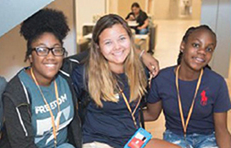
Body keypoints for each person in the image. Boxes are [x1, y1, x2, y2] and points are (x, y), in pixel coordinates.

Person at [72, 14, 180, 148]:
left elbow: (150, 112)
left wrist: (141, 54)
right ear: (98, 46)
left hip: (133, 139)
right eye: (108, 42)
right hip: (98, 141)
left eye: (122, 38)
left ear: (130, 38)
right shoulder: (84, 73)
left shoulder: (141, 70)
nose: (117, 47)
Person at [0, 9, 82, 148]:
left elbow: (90, 55)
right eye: (42, 50)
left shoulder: (66, 73)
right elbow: (23, 145)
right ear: (30, 56)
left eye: (56, 49)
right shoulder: (17, 93)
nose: (50, 56)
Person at [144, 25, 231, 148]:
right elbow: (152, 114)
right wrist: (115, 114)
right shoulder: (162, 79)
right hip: (175, 136)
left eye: (209, 49)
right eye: (196, 45)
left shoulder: (217, 83)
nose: (202, 52)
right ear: (183, 46)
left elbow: (221, 130)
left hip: (207, 138)